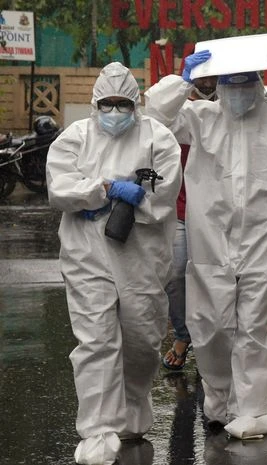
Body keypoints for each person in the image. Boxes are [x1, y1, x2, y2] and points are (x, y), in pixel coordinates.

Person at [144, 50, 267, 438]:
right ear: (217, 87)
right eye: (228, 85)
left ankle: (253, 410)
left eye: (243, 84)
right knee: (212, 324)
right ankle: (219, 399)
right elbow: (155, 118)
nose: (236, 94)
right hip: (210, 238)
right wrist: (182, 81)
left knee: (253, 326)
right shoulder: (200, 118)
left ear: (257, 83)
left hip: (261, 237)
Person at [46, 62, 182, 465]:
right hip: (86, 252)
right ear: (95, 103)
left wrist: (133, 199)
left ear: (136, 103)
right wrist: (102, 190)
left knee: (142, 338)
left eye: (123, 104)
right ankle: (97, 430)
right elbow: (59, 188)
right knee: (97, 340)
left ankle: (134, 402)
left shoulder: (159, 137)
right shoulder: (74, 138)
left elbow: (164, 191)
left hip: (141, 254)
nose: (115, 111)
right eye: (108, 104)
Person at [162, 75, 217, 371]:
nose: (208, 83)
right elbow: (155, 114)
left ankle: (213, 343)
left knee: (215, 279)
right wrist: (181, 86)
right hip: (181, 209)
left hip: (216, 213)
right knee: (175, 274)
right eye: (202, 77)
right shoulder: (178, 111)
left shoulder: (228, 112)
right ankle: (184, 335)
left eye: (214, 78)